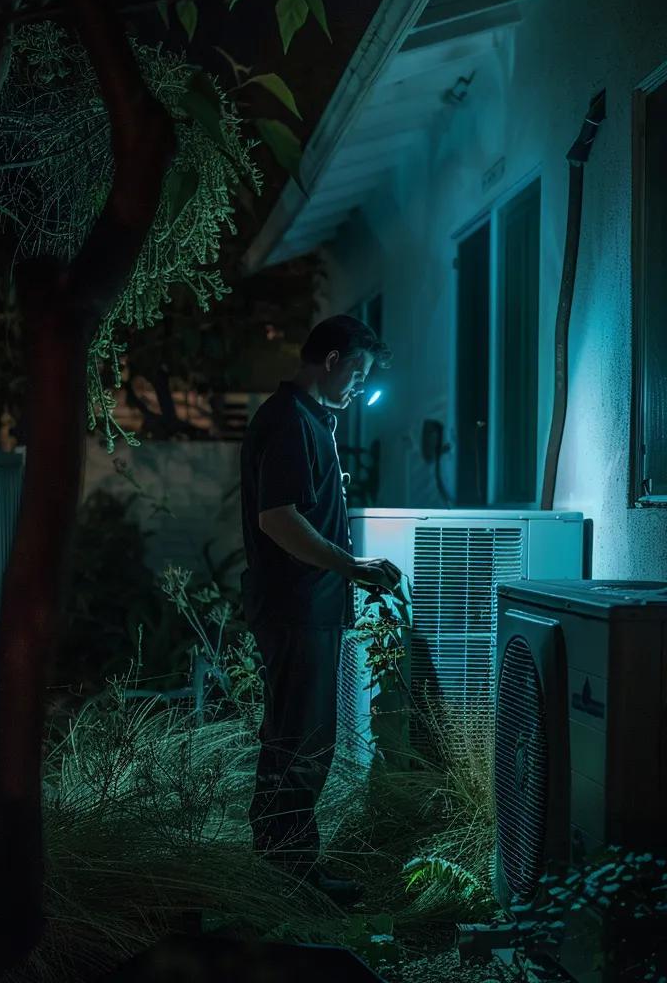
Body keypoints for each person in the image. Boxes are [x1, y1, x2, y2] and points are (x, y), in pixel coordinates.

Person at [240, 314, 402, 905]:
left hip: (307, 606)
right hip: (296, 606)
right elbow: (277, 517)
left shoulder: (312, 422)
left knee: (295, 739)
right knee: (302, 743)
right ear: (331, 361)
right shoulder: (290, 421)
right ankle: (292, 878)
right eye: (358, 372)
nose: (360, 386)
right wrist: (353, 567)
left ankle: (281, 870)